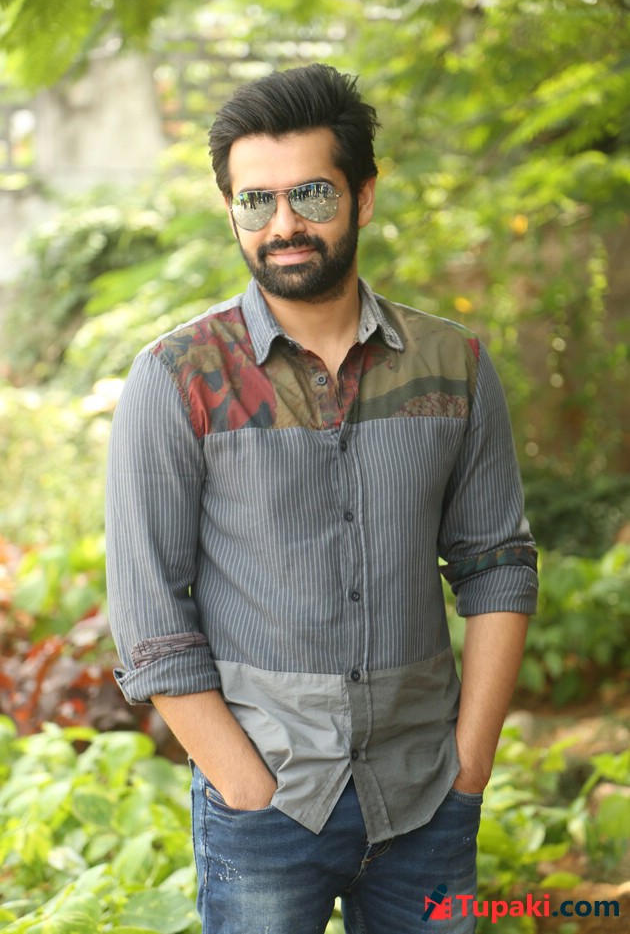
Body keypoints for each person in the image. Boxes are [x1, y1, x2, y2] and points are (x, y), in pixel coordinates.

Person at [106, 63, 538, 934]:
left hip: (428, 797)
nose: (284, 225)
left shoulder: (452, 365)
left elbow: (497, 565)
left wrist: (471, 765)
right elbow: (150, 613)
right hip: (265, 811)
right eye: (256, 200)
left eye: (310, 193)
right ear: (229, 208)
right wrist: (243, 783)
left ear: (362, 196)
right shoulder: (178, 378)